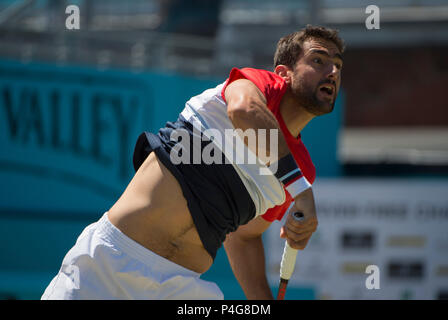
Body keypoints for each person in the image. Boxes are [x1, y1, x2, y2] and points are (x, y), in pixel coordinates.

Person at [41, 25, 345, 300]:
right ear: (282, 73)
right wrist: (301, 191)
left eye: (338, 65)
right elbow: (243, 112)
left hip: (182, 288)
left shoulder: (302, 169)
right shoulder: (256, 87)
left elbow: (244, 235)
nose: (332, 70)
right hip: (107, 263)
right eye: (318, 60)